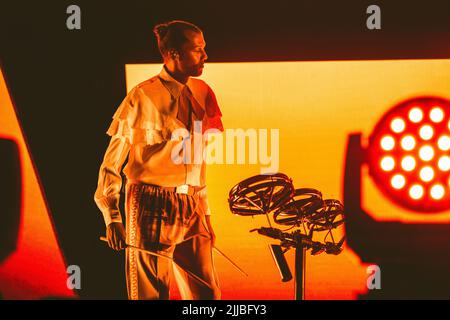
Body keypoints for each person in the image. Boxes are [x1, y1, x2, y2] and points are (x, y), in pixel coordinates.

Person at [94, 20, 223, 300]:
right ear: (174, 53)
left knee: (207, 295)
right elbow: (112, 161)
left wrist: (206, 212)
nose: (205, 56)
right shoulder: (143, 95)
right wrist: (112, 216)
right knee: (151, 295)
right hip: (151, 203)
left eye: (204, 48)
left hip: (192, 203)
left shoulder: (203, 92)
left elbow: (200, 161)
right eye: (197, 49)